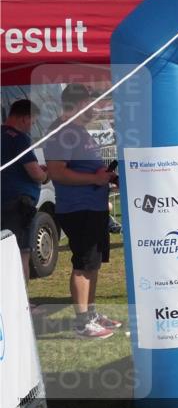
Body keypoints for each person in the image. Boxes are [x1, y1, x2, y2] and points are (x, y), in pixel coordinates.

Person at [44, 84, 121, 339]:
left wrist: (105, 177)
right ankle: (82, 322)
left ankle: (91, 314)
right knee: (83, 265)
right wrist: (94, 180)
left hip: (94, 207)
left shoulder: (78, 131)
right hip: (78, 209)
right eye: (90, 104)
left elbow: (85, 168)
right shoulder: (61, 132)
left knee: (93, 264)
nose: (95, 110)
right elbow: (56, 172)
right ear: (77, 105)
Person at [1, 100, 50, 287]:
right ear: (24, 118)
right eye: (32, 121)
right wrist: (47, 175)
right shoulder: (19, 138)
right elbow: (36, 174)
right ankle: (22, 305)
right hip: (16, 206)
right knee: (21, 253)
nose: (31, 126)